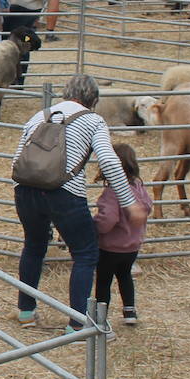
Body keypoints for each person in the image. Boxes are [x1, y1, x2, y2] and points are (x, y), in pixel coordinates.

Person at [11, 75, 145, 328]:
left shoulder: (39, 115)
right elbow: (108, 160)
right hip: (64, 192)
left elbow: (18, 158)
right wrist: (129, 202)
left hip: (25, 190)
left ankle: (26, 312)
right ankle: (76, 323)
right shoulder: (93, 121)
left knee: (34, 245)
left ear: (65, 93)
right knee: (85, 253)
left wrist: (24, 189)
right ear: (94, 100)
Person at [93, 142, 150, 329]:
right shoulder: (139, 187)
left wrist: (95, 227)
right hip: (132, 246)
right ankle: (129, 311)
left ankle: (100, 317)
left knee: (103, 280)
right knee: (125, 275)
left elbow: (108, 219)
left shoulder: (112, 192)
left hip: (110, 247)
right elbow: (147, 207)